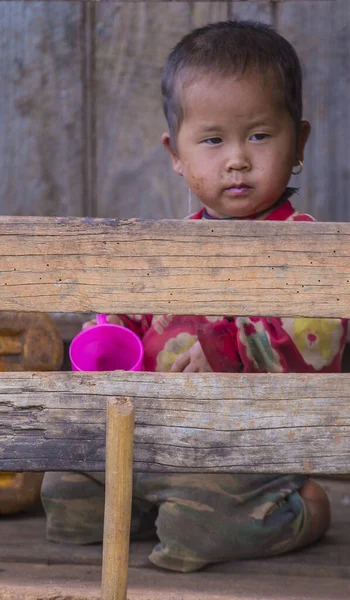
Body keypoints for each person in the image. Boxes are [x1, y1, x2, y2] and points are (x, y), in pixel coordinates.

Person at [41, 20, 348, 572]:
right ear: (176, 153)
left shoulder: (301, 243)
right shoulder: (171, 246)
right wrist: (105, 340)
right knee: (66, 493)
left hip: (245, 451)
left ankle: (300, 505)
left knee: (190, 534)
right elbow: (126, 313)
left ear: (298, 142)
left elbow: (320, 337)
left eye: (259, 135)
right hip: (157, 439)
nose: (236, 159)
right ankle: (160, 501)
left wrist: (230, 350)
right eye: (212, 140)